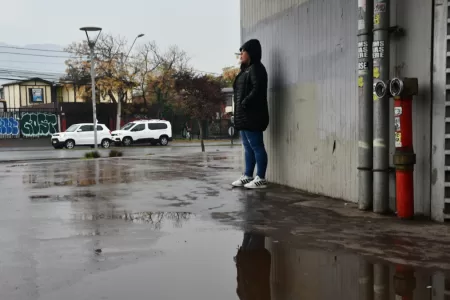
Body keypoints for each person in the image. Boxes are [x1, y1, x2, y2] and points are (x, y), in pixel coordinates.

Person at [232, 39, 269, 189]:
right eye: (240, 52)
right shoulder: (244, 71)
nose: (241, 54)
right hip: (243, 116)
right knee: (247, 147)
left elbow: (257, 89)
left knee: (256, 146)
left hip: (253, 115)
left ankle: (261, 178)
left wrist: (245, 102)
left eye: (243, 51)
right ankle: (248, 175)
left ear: (251, 52)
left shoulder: (256, 69)